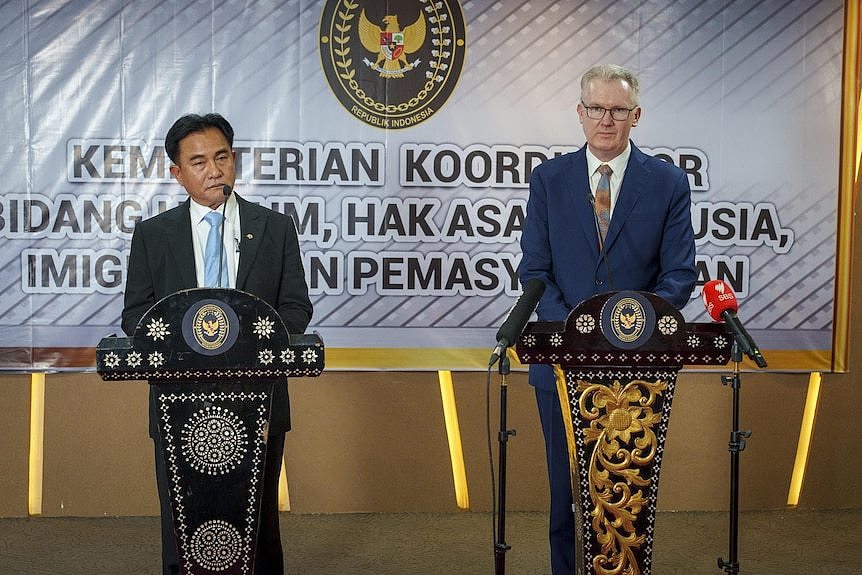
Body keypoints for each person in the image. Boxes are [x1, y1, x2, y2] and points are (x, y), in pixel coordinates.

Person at [519, 64, 696, 574]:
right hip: (559, 368)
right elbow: (535, 270)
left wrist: (628, 331)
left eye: (618, 110)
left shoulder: (666, 183)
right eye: (596, 108)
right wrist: (581, 332)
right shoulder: (549, 180)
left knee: (626, 498)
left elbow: (679, 275)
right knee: (565, 496)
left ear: (636, 116)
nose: (606, 120)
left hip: (638, 374)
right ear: (579, 113)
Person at [122, 113, 313, 575]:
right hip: (178, 404)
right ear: (177, 172)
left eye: (222, 157)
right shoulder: (153, 235)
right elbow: (135, 317)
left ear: (235, 161)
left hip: (259, 399)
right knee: (182, 518)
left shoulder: (274, 228)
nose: (214, 170)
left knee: (260, 520)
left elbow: (295, 308)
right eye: (199, 161)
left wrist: (250, 340)